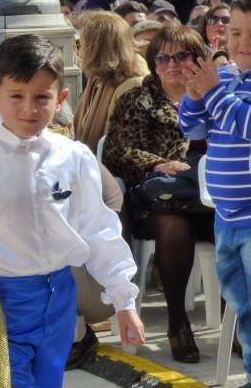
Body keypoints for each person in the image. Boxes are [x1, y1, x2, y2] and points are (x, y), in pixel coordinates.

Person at [0, 33, 145, 387]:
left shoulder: (74, 157)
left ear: (61, 98)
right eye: (16, 96)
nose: (29, 109)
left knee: (49, 380)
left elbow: (99, 230)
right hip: (1, 302)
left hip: (61, 297)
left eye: (41, 97)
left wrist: (124, 301)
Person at [103, 25, 213, 363]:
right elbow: (116, 152)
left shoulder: (217, 97)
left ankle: (237, 323)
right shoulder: (139, 99)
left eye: (181, 56)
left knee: (234, 223)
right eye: (163, 58)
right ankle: (178, 321)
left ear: (199, 59)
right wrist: (158, 164)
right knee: (172, 222)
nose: (172, 65)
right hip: (156, 202)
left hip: (210, 198)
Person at [180, 0, 251, 387]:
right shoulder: (221, 79)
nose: (243, 43)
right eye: (237, 33)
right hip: (226, 219)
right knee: (242, 309)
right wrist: (194, 96)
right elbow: (193, 129)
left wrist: (212, 93)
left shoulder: (219, 88)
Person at [74, 11, 149, 153]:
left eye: (81, 45)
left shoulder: (134, 86)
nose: (79, 52)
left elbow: (122, 148)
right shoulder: (98, 78)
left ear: (96, 49)